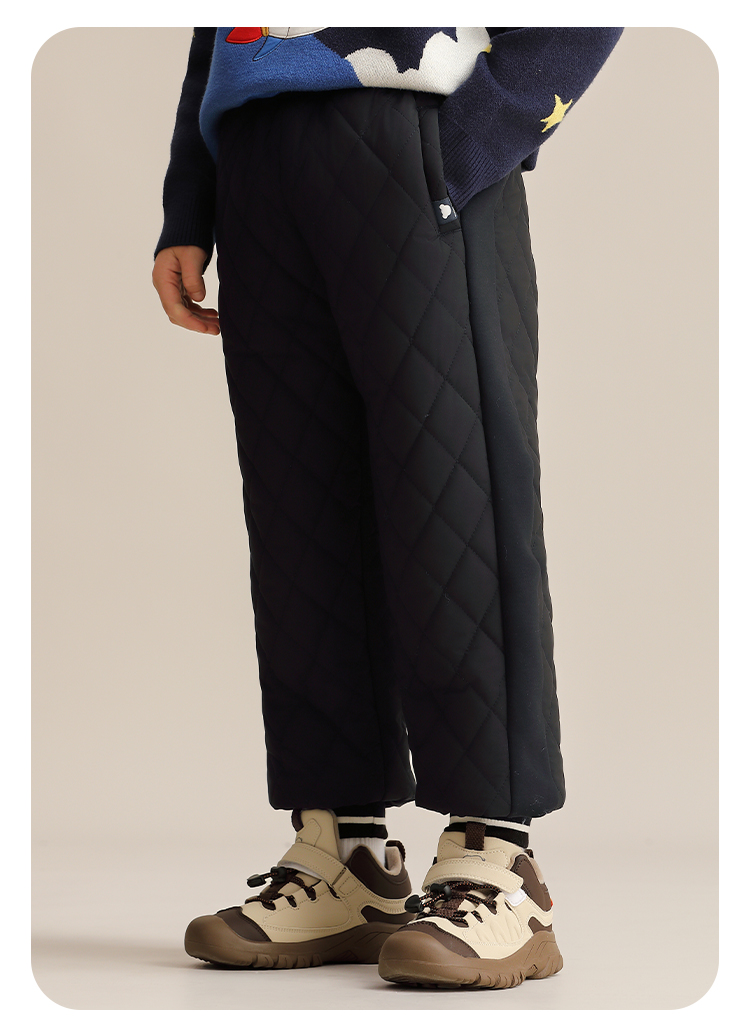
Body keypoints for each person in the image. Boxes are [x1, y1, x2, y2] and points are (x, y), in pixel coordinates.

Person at [152, 26, 623, 990]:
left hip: (417, 134)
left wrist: (479, 136)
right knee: (300, 520)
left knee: (458, 500)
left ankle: (498, 860)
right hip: (258, 158)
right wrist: (190, 198)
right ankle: (347, 855)